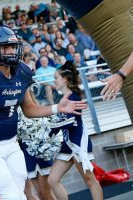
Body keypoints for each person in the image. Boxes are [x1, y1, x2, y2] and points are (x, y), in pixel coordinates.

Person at [0, 25, 87, 200]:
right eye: (5, 47)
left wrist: (58, 108)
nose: (11, 51)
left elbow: (30, 110)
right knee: (10, 194)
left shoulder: (21, 72)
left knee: (20, 193)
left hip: (12, 144)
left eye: (12, 46)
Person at [48, 61, 103, 200]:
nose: (54, 80)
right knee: (52, 180)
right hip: (67, 144)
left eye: (56, 78)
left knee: (90, 180)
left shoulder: (74, 97)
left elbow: (70, 122)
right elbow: (61, 123)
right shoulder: (62, 98)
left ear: (65, 80)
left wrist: (50, 128)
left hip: (78, 143)